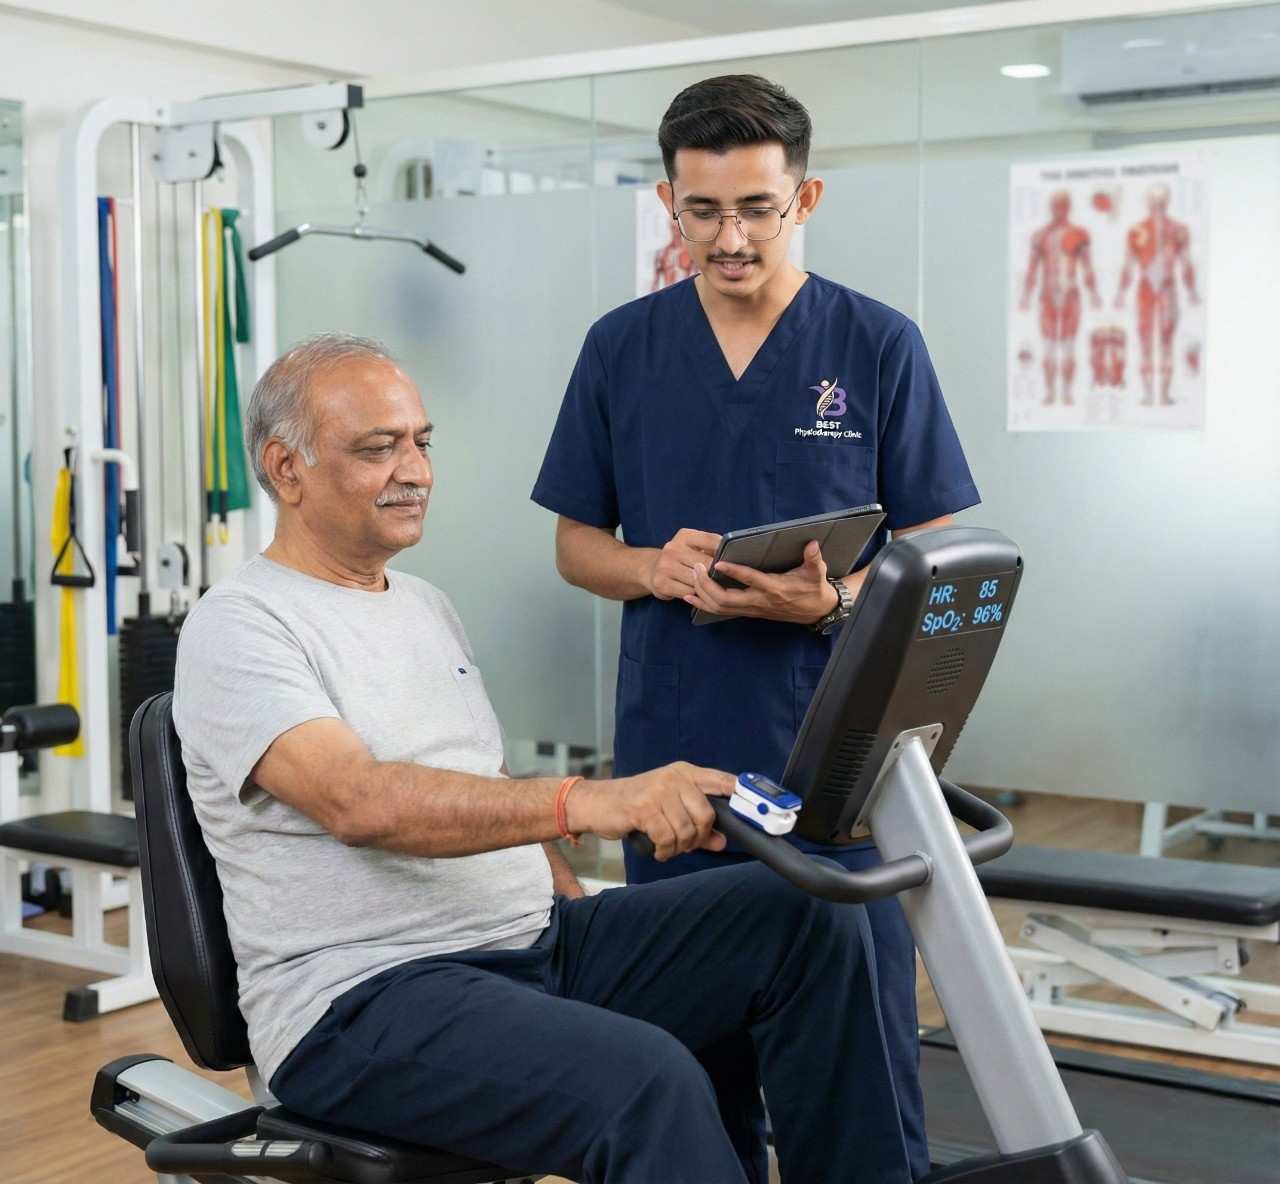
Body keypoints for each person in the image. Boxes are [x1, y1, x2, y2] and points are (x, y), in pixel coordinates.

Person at [172, 333, 913, 1184]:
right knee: (648, 1081)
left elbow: (478, 782)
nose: (415, 471)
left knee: (808, 915)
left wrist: (570, 900)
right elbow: (358, 801)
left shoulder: (423, 605)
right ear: (286, 469)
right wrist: (587, 801)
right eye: (378, 449)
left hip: (532, 946)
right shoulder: (241, 624)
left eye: (421, 442)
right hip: (361, 1000)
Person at [532, 74, 980, 1181]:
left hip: (834, 759)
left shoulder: (875, 343)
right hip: (673, 762)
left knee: (858, 1062)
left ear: (804, 198)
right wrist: (651, 565)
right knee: (684, 1062)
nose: (728, 239)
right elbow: (576, 544)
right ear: (668, 204)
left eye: (755, 209)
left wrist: (831, 603)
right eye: (702, 211)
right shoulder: (620, 347)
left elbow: (937, 564)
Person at [1115, 182, 1200, 406]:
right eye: (1154, 201)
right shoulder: (1136, 231)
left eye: (1161, 201)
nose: (1158, 206)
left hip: (1167, 288)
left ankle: (1163, 394)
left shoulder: (1179, 230)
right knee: (1145, 340)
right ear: (1148, 202)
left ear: (1167, 201)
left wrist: (1192, 291)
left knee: (1166, 340)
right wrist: (1121, 292)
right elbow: (1128, 264)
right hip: (1146, 288)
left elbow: (1186, 262)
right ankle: (1147, 393)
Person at [1019, 189, 1101, 406]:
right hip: (1048, 294)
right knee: (1048, 346)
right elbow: (1033, 267)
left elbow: (1087, 266)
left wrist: (1093, 293)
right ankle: (1049, 392)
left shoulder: (1078, 234)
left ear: (1068, 207)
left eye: (1063, 205)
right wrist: (1026, 295)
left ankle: (1066, 392)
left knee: (1068, 345)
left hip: (1070, 294)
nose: (1059, 209)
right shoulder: (1041, 236)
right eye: (1056, 205)